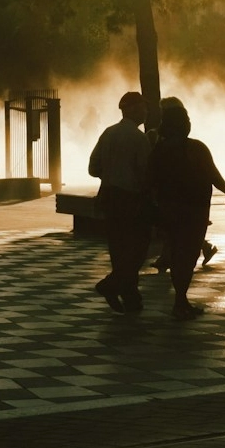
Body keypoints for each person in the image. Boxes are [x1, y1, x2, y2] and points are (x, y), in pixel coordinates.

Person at [144, 97, 225, 320]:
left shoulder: (159, 150)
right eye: (186, 119)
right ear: (183, 124)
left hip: (169, 209)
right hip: (194, 210)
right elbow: (213, 173)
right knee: (188, 254)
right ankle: (180, 301)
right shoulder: (195, 148)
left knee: (176, 253)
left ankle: (181, 299)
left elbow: (150, 180)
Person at [89, 92, 151, 313]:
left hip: (108, 197)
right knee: (138, 249)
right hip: (130, 199)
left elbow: (93, 168)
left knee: (118, 248)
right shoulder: (138, 138)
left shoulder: (108, 133)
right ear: (132, 109)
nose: (145, 112)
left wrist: (111, 174)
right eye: (142, 107)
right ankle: (111, 285)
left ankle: (130, 296)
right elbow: (145, 172)